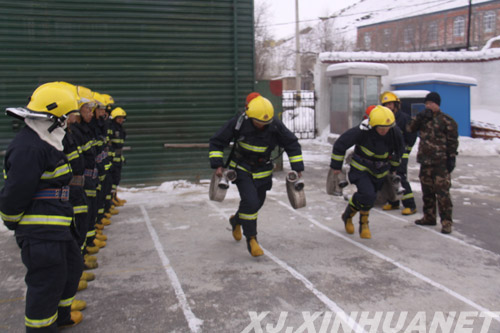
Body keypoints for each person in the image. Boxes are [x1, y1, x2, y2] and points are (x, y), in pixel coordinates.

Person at [0, 82, 84, 330]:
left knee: (71, 268)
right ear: (55, 117)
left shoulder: (45, 141)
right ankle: (42, 327)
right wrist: (13, 221)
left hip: (56, 226)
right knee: (46, 283)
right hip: (40, 232)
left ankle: (61, 316)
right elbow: (15, 194)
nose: (71, 121)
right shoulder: (30, 147)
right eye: (68, 116)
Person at [209, 94, 304, 257]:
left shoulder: (275, 125)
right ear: (250, 115)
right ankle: (252, 240)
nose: (262, 126)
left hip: (263, 170)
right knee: (251, 201)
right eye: (259, 122)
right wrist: (217, 164)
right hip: (241, 168)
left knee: (257, 203)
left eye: (265, 123)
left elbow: (292, 144)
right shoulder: (239, 123)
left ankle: (236, 220)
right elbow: (217, 141)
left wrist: (298, 167)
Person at [331, 105, 404, 239]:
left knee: (369, 198)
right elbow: (340, 144)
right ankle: (363, 223)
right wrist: (336, 166)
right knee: (368, 194)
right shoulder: (362, 131)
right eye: (381, 128)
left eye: (386, 128)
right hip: (361, 170)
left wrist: (394, 170)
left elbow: (398, 152)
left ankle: (347, 215)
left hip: (380, 172)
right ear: (373, 125)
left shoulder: (395, 133)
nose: (384, 131)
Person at [407, 92, 459, 234]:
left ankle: (446, 222)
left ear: (437, 104)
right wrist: (418, 118)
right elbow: (409, 129)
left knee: (442, 194)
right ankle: (429, 217)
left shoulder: (447, 121)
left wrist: (451, 158)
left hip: (440, 163)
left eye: (431, 103)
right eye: (427, 104)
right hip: (425, 162)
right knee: (427, 191)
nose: (428, 106)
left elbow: (453, 142)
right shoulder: (423, 119)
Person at [380, 91, 418, 215]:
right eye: (386, 105)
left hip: (401, 154)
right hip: (389, 154)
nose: (388, 107)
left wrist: (405, 150)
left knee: (400, 177)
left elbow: (411, 136)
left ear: (396, 105)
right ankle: (393, 202)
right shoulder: (385, 119)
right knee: (389, 177)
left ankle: (410, 205)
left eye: (390, 104)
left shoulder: (404, 118)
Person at [109, 107, 127, 207]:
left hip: (118, 158)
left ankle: (114, 196)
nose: (121, 120)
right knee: (112, 180)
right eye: (119, 118)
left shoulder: (120, 129)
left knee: (116, 179)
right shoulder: (111, 129)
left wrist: (121, 158)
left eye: (122, 118)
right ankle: (111, 199)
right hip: (112, 159)